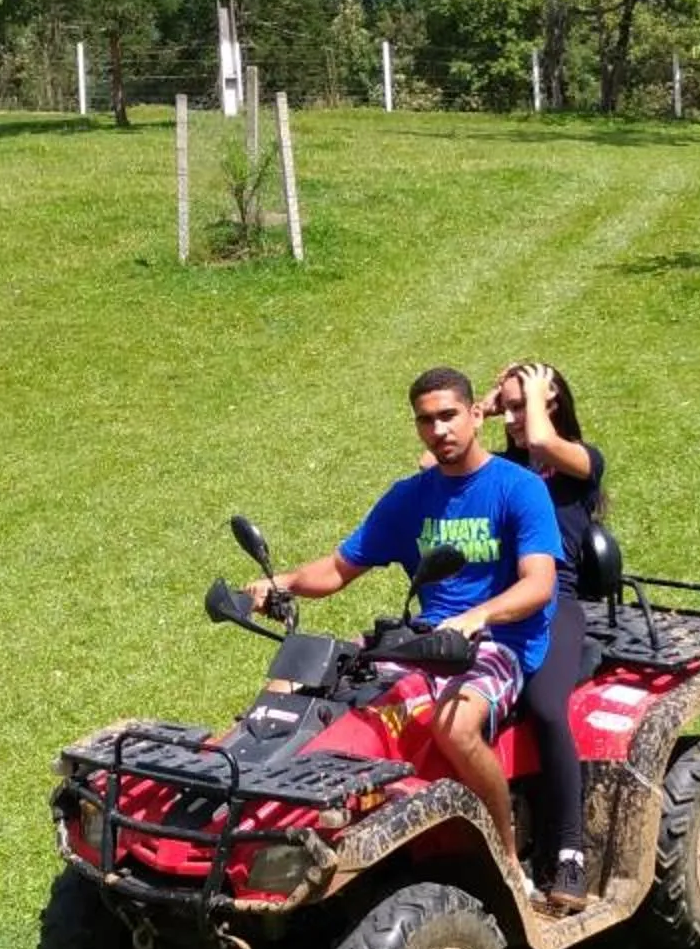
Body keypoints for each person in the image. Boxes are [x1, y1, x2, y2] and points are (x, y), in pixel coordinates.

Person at [246, 368, 562, 900]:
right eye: (426, 420)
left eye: (448, 416)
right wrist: (278, 584)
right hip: (422, 640)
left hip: (499, 643)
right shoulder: (410, 496)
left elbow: (539, 584)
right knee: (291, 688)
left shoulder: (519, 488)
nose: (438, 430)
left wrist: (477, 616)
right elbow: (338, 568)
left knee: (455, 725)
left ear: (475, 415)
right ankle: (264, 825)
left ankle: (507, 855)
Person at [487, 361, 604, 910]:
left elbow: (540, 439)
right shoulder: (499, 467)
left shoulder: (582, 463)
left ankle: (570, 853)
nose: (511, 418)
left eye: (520, 404)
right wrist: (478, 410)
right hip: (496, 605)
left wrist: (531, 397)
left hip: (558, 605)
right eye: (504, 406)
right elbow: (427, 468)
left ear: (550, 401)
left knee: (544, 707)